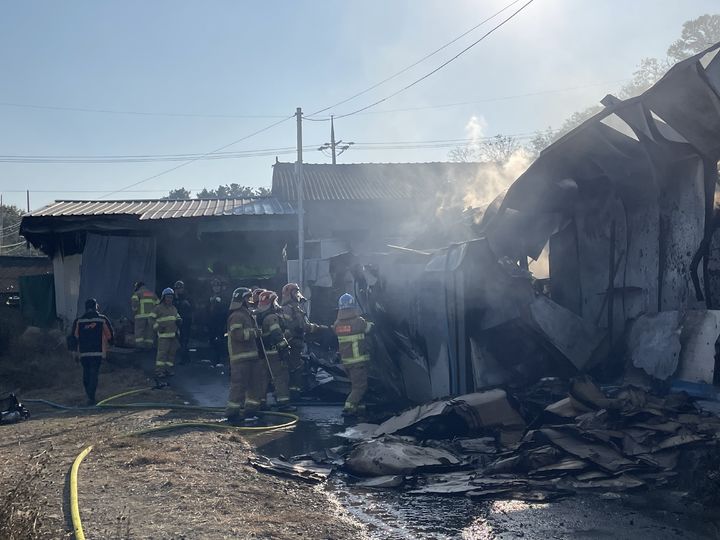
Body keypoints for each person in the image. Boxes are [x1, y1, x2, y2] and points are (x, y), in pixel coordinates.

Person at [280, 282, 326, 398]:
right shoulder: (287, 309)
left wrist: (318, 328)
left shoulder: (296, 308)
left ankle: (294, 391)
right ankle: (291, 393)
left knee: (297, 367)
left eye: (297, 292)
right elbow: (297, 326)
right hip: (292, 343)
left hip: (298, 343)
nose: (297, 294)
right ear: (288, 294)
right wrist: (318, 328)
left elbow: (304, 325)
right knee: (294, 368)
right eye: (295, 292)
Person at [225, 287, 264, 423]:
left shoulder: (247, 314)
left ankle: (251, 410)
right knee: (239, 386)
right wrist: (254, 333)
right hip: (240, 358)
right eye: (247, 298)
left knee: (254, 384)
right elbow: (237, 335)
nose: (250, 300)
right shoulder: (236, 316)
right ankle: (232, 413)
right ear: (241, 300)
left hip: (252, 357)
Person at [333, 293, 374, 417]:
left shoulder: (337, 324)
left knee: (355, 385)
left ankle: (360, 407)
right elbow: (369, 328)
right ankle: (348, 408)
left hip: (346, 362)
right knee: (360, 387)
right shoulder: (358, 322)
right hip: (358, 362)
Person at [70, 298, 114, 405]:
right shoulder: (102, 319)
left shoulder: (79, 321)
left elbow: (74, 337)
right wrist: (111, 343)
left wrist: (74, 352)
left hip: (84, 353)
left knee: (86, 373)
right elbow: (109, 335)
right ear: (95, 307)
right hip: (97, 352)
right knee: (94, 374)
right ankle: (91, 397)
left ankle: (89, 395)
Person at [256, 290, 293, 411]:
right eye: (275, 301)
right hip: (274, 353)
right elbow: (277, 334)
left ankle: (261, 402)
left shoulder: (258, 316)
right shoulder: (272, 317)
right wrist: (285, 348)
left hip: (263, 353)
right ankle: (283, 403)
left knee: (263, 378)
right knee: (280, 377)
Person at [152, 287, 182, 384]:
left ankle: (168, 370)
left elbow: (177, 317)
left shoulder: (174, 308)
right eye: (168, 297)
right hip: (163, 336)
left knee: (171, 354)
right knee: (162, 354)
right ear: (163, 298)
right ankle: (159, 371)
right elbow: (151, 319)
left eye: (171, 297)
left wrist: (180, 320)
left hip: (173, 336)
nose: (169, 299)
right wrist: (158, 327)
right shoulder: (158, 308)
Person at [207, 277, 228, 365]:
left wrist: (220, 303)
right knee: (212, 341)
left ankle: (221, 359)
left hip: (221, 323)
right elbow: (206, 310)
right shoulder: (208, 296)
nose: (216, 288)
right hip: (211, 323)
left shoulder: (224, 296)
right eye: (214, 286)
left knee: (221, 340)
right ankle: (214, 360)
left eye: (218, 286)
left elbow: (226, 309)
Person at [130, 281, 157, 349]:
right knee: (149, 332)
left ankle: (140, 347)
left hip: (140, 316)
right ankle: (149, 346)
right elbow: (158, 305)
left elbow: (134, 304)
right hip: (151, 317)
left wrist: (134, 311)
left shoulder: (137, 294)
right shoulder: (152, 294)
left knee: (139, 332)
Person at [173, 280, 194, 364]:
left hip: (186, 321)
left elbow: (191, 308)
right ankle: (186, 357)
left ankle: (184, 358)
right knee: (180, 340)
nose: (179, 290)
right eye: (177, 288)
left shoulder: (187, 297)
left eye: (180, 288)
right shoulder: (174, 297)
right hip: (177, 320)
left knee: (184, 340)